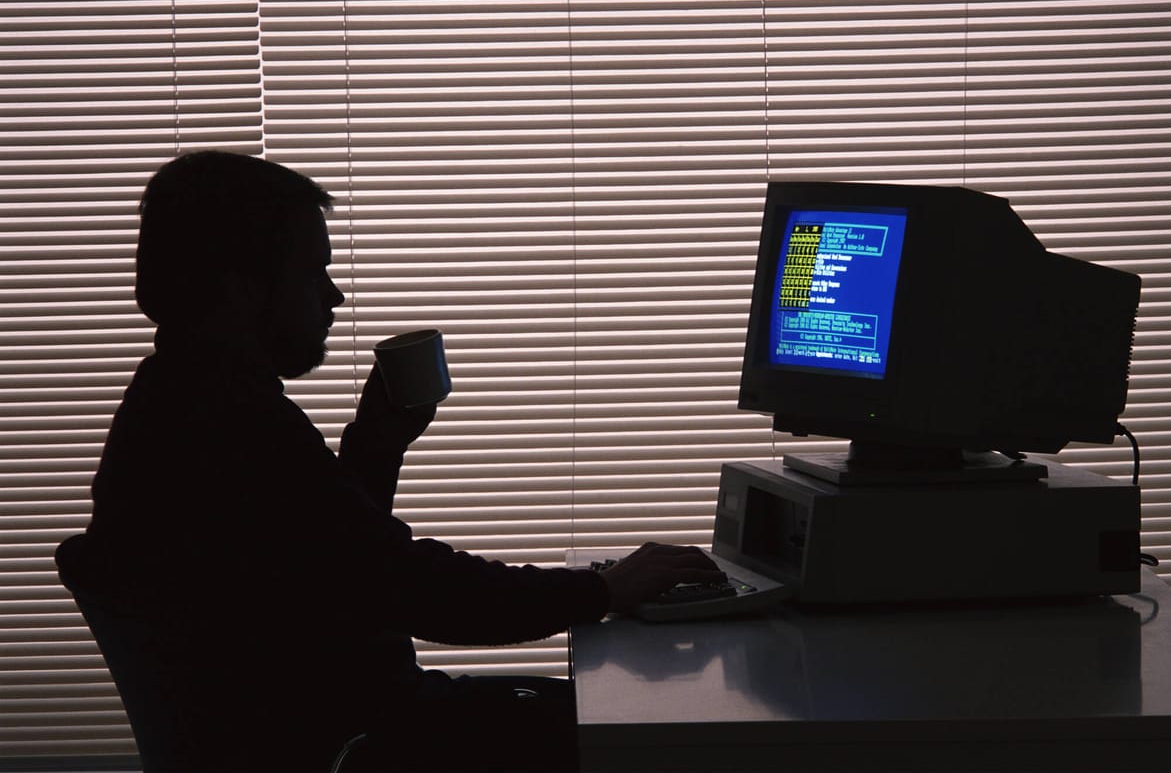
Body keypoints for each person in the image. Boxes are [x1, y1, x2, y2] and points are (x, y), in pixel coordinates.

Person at [54, 151, 723, 773]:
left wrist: (375, 448)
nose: (334, 297)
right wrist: (602, 590)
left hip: (339, 727)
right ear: (240, 287)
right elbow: (413, 589)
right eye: (312, 272)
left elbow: (333, 566)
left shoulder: (178, 401)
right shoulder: (231, 424)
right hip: (363, 744)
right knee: (656, 735)